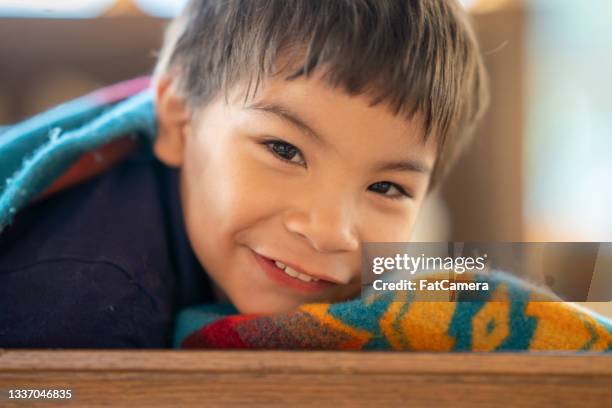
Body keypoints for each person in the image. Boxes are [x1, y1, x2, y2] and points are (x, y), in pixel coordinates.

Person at [0, 0, 488, 347]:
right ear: (177, 119)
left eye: (386, 187)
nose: (327, 231)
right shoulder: (84, 310)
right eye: (284, 150)